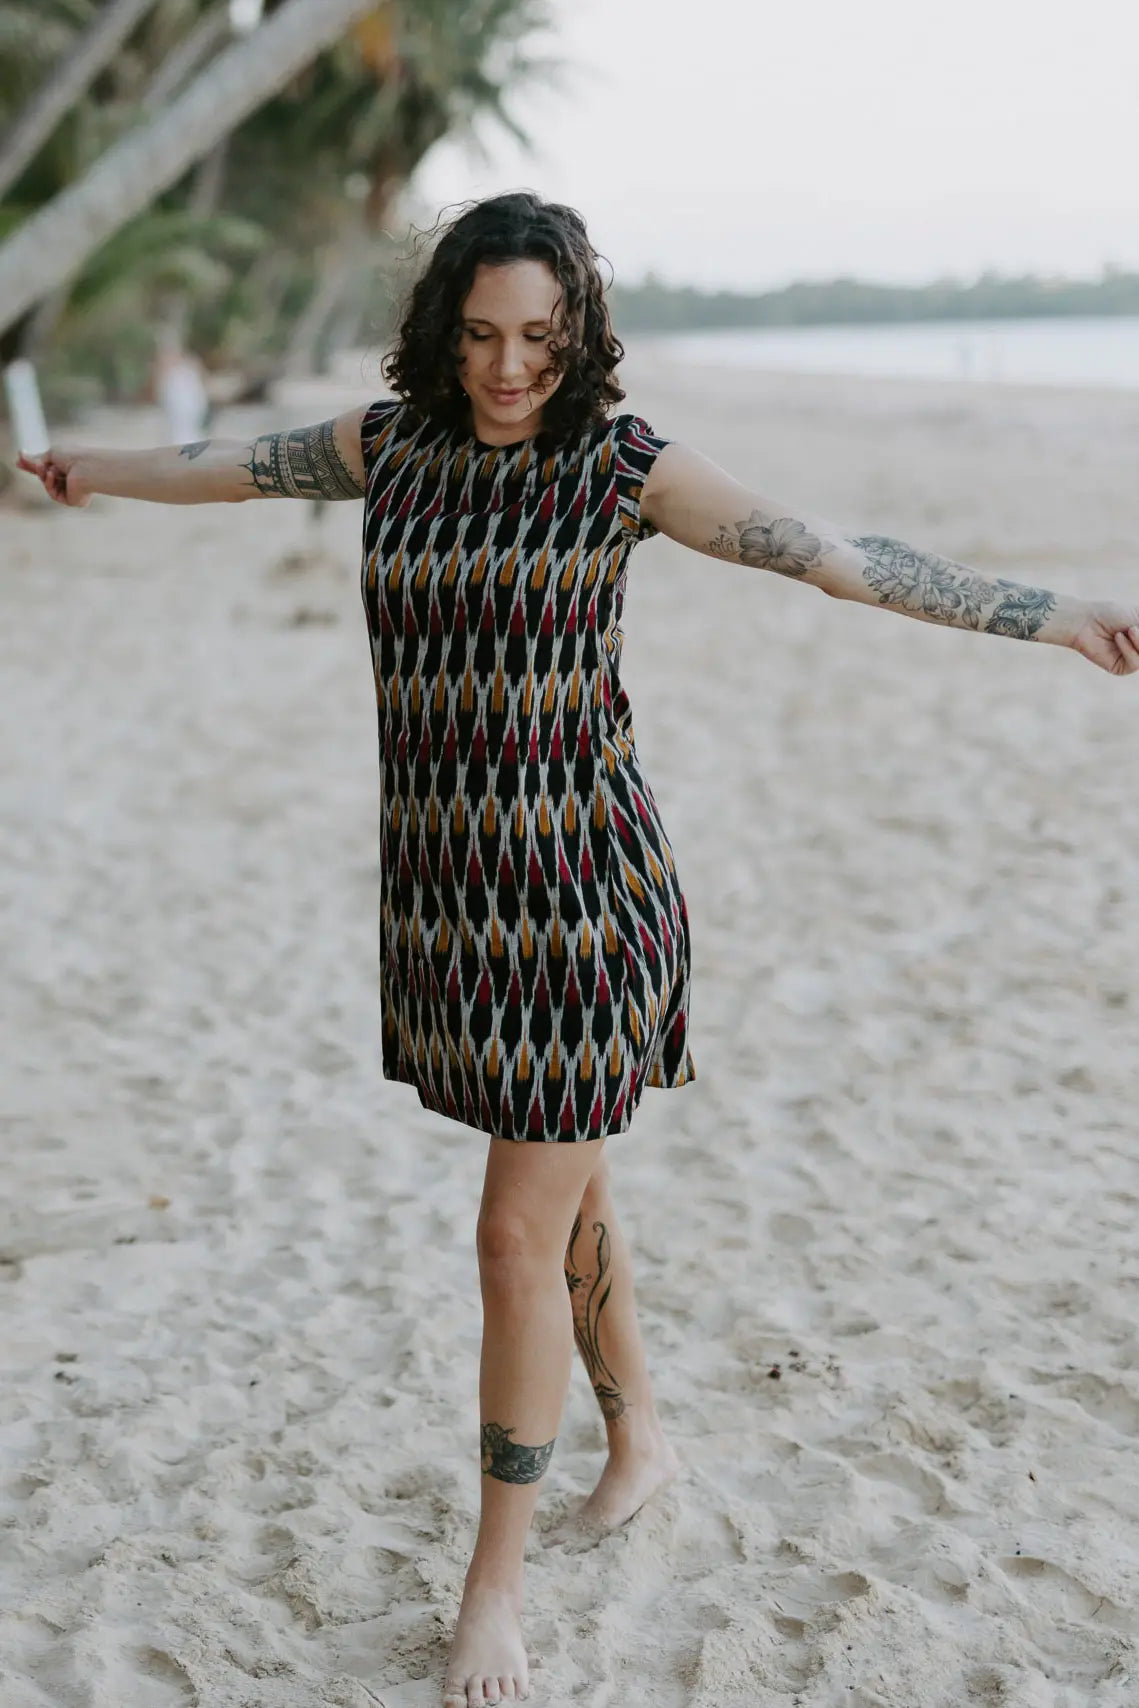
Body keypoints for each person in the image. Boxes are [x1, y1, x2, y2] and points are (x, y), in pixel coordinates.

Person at [17, 190, 1139, 1707]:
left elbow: (833, 556)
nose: (507, 367)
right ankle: (647, 1439)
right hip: (451, 907)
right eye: (481, 334)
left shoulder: (623, 466)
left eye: (540, 338)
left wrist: (1052, 611)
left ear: (580, 331)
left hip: (586, 907)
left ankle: (496, 1587)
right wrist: (90, 470)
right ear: (444, 327)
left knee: (506, 1237)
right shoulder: (389, 448)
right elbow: (229, 467)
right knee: (566, 1193)